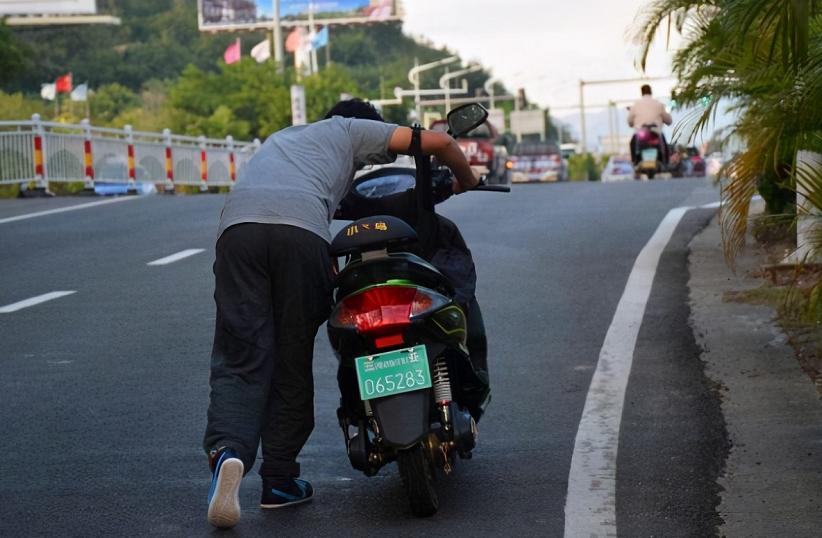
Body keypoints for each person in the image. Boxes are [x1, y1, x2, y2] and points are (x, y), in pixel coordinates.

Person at [203, 98, 479, 529]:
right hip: (301, 235)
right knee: (291, 359)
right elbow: (439, 143)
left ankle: (229, 453)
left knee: (241, 357)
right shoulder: (350, 130)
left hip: (238, 232)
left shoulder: (284, 139)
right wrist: (467, 178)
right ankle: (277, 479)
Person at [627, 84, 673, 165]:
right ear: (651, 92)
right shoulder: (658, 104)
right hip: (655, 131)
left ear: (641, 93)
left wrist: (633, 123)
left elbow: (630, 121)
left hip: (641, 133)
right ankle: (666, 162)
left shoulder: (636, 105)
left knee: (632, 143)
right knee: (664, 144)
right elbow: (669, 121)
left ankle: (634, 161)